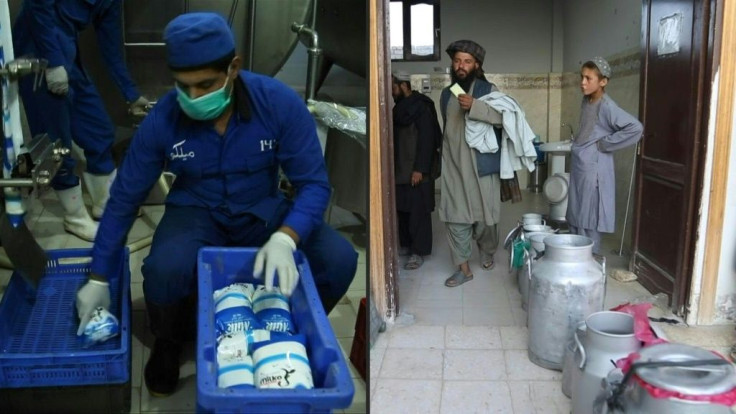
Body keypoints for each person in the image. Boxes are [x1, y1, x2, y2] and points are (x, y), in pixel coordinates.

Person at [74, 12, 358, 397]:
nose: (193, 98)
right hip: (195, 211)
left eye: (205, 85)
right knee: (162, 270)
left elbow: (313, 185)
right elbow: (124, 199)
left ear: (234, 68)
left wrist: (286, 238)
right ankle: (170, 341)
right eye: (183, 86)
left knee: (339, 259)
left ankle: (285, 328)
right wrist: (98, 275)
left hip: (263, 209)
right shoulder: (163, 120)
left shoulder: (277, 105)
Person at [13, 0, 150, 242]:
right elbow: (37, 7)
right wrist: (53, 62)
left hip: (69, 52)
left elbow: (111, 46)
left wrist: (131, 94)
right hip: (37, 49)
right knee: (57, 143)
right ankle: (75, 217)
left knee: (98, 129)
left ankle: (105, 202)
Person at [438, 40, 505, 288]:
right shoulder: (447, 94)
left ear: (476, 64)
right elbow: (448, 130)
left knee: (486, 219)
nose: (461, 66)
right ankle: (463, 269)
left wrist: (477, 107)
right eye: (457, 61)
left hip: (482, 167)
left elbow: (504, 119)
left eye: (467, 61)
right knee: (455, 217)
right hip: (454, 167)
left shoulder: (489, 90)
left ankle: (487, 251)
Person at [566, 57, 643, 254]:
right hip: (581, 166)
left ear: (603, 81)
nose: (583, 82)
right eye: (582, 77)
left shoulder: (607, 107)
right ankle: (574, 254)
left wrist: (605, 144)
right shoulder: (587, 100)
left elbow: (636, 128)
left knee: (589, 213)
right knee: (576, 210)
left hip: (593, 169)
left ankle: (588, 258)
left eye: (589, 78)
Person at [391, 70, 441, 270]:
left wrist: (419, 169)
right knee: (403, 209)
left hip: (417, 170)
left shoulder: (421, 107)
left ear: (404, 86)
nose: (393, 92)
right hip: (401, 169)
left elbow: (428, 139)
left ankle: (418, 252)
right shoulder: (399, 109)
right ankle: (407, 245)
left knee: (418, 213)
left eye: (394, 88)